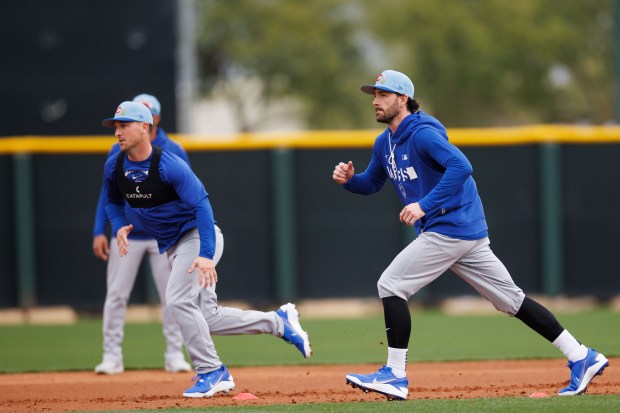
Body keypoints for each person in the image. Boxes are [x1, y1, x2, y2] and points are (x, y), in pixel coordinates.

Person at [332, 70, 608, 400]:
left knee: (391, 284)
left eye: (384, 95)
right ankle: (581, 355)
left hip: (450, 228)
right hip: (465, 231)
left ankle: (394, 374)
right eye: (374, 95)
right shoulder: (384, 142)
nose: (376, 101)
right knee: (511, 300)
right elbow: (373, 183)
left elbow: (461, 166)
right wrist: (350, 180)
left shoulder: (422, 134)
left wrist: (424, 205)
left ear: (403, 99)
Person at [101, 101, 312, 398]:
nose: (117, 132)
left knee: (176, 300)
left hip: (197, 237)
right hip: (173, 245)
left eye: (123, 125)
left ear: (145, 127)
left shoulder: (167, 163)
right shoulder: (115, 164)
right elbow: (111, 199)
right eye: (115, 126)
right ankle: (278, 322)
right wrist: (118, 223)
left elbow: (202, 204)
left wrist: (205, 254)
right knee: (207, 317)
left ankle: (212, 371)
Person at [93, 94, 193, 375]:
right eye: (124, 122)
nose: (123, 128)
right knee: (116, 295)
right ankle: (111, 355)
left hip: (165, 236)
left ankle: (174, 354)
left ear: (154, 120)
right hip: (128, 234)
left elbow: (190, 194)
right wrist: (99, 229)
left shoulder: (173, 150)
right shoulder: (118, 151)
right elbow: (108, 194)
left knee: (171, 297)